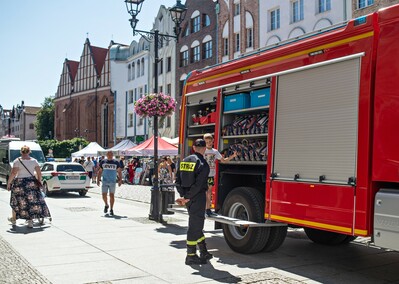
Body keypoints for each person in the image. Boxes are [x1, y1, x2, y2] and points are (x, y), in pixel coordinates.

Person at [175, 139, 212, 265]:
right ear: (204, 148)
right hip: (197, 197)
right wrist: (189, 197)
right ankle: (191, 255)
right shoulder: (203, 164)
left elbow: (177, 179)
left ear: (194, 148)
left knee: (197, 223)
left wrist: (184, 196)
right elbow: (199, 184)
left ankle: (203, 251)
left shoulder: (184, 161)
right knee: (194, 226)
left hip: (188, 198)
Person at [6, 145, 51, 228]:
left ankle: (14, 219)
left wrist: (9, 183)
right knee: (31, 201)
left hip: (19, 183)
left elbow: (13, 173)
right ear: (29, 152)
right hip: (31, 182)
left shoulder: (17, 161)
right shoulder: (34, 161)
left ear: (21, 152)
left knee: (17, 200)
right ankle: (30, 221)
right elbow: (39, 173)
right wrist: (39, 181)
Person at [203, 133, 237, 217]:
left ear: (213, 141)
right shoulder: (202, 151)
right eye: (207, 142)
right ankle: (204, 209)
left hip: (210, 175)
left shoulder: (215, 151)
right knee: (204, 192)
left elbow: (223, 160)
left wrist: (232, 156)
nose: (209, 143)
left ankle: (208, 210)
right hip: (203, 175)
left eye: (210, 141)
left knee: (209, 192)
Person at [97, 151, 122, 216]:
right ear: (107, 155)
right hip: (105, 181)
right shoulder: (103, 162)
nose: (110, 155)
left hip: (112, 181)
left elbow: (119, 171)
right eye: (109, 154)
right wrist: (98, 179)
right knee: (103, 195)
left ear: (112, 155)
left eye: (111, 154)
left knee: (112, 195)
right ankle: (106, 204)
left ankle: (111, 209)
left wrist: (120, 180)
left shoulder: (116, 162)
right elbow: (99, 171)